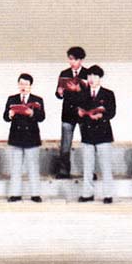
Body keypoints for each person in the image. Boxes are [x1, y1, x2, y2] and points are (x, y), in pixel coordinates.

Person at [4, 73, 46, 203]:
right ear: (18, 84)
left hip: (31, 137)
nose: (23, 87)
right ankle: (15, 194)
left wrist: (32, 113)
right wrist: (10, 114)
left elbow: (42, 117)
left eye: (26, 84)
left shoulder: (37, 99)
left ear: (30, 86)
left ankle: (35, 194)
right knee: (16, 168)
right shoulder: (12, 99)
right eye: (21, 84)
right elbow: (5, 117)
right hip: (16, 136)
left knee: (33, 167)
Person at [77, 65, 116, 204]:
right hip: (87, 133)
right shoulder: (82, 93)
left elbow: (112, 112)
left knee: (106, 166)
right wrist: (80, 114)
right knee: (88, 166)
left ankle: (108, 195)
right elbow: (78, 112)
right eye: (89, 76)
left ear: (100, 78)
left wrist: (101, 115)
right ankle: (87, 194)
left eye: (95, 76)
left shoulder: (108, 93)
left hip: (103, 133)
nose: (91, 79)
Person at [55, 46, 88, 179]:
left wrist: (78, 90)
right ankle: (64, 171)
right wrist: (59, 93)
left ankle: (88, 171)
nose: (71, 62)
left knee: (88, 143)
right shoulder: (64, 73)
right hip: (68, 113)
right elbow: (58, 93)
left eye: (74, 59)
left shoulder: (88, 73)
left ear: (81, 60)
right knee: (65, 144)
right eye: (70, 59)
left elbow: (91, 95)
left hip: (83, 112)